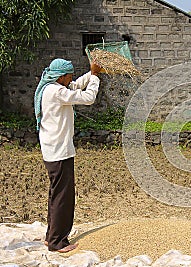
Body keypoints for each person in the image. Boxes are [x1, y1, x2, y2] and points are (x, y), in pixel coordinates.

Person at [34, 58, 102, 253]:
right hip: (59, 152)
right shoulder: (56, 92)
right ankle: (57, 242)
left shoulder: (50, 86)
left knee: (56, 195)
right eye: (69, 76)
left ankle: (51, 237)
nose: (71, 80)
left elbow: (76, 85)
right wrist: (95, 77)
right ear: (61, 76)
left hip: (53, 150)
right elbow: (88, 97)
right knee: (63, 197)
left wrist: (91, 72)